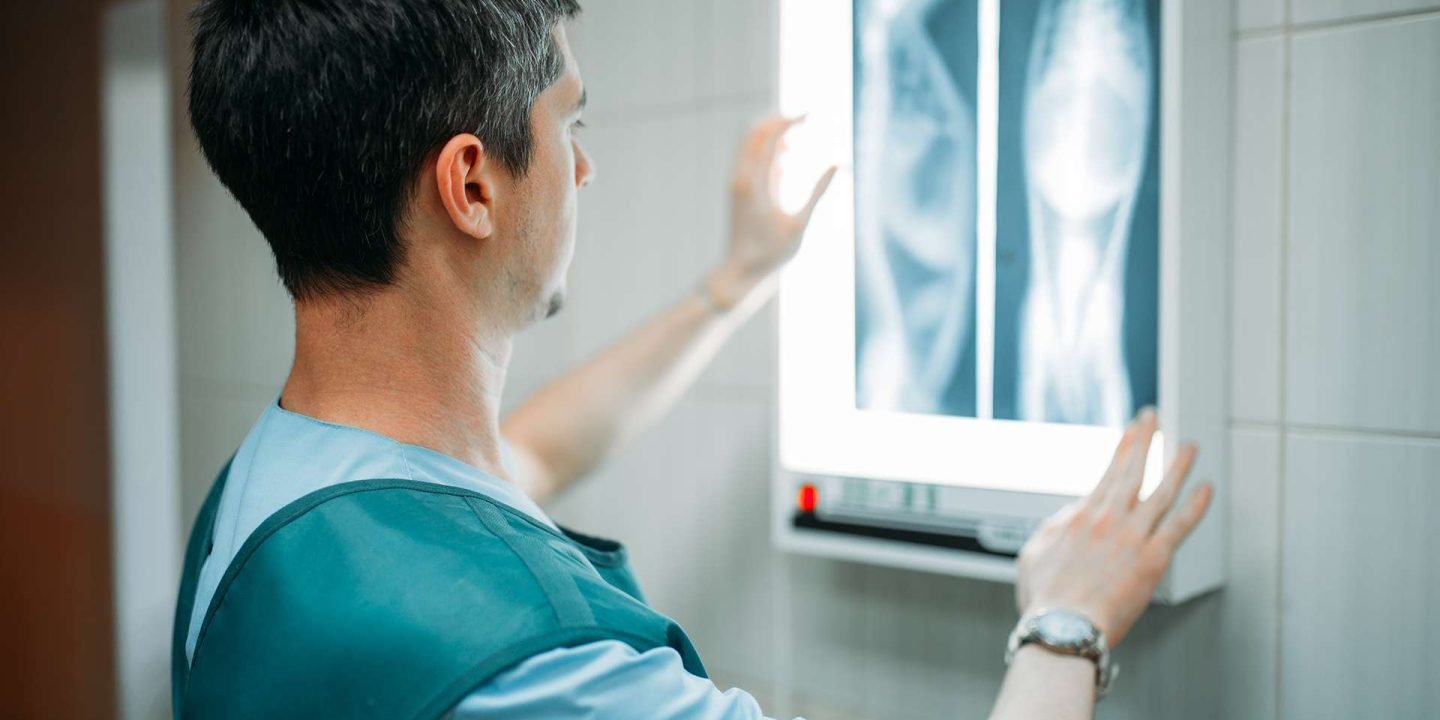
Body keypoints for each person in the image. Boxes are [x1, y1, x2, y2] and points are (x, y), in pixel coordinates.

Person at [172, 1, 1214, 718]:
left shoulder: (267, 498)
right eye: (570, 120)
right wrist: (1066, 620)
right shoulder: (544, 671)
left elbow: (515, 464)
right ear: (472, 187)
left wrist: (736, 282)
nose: (586, 165)